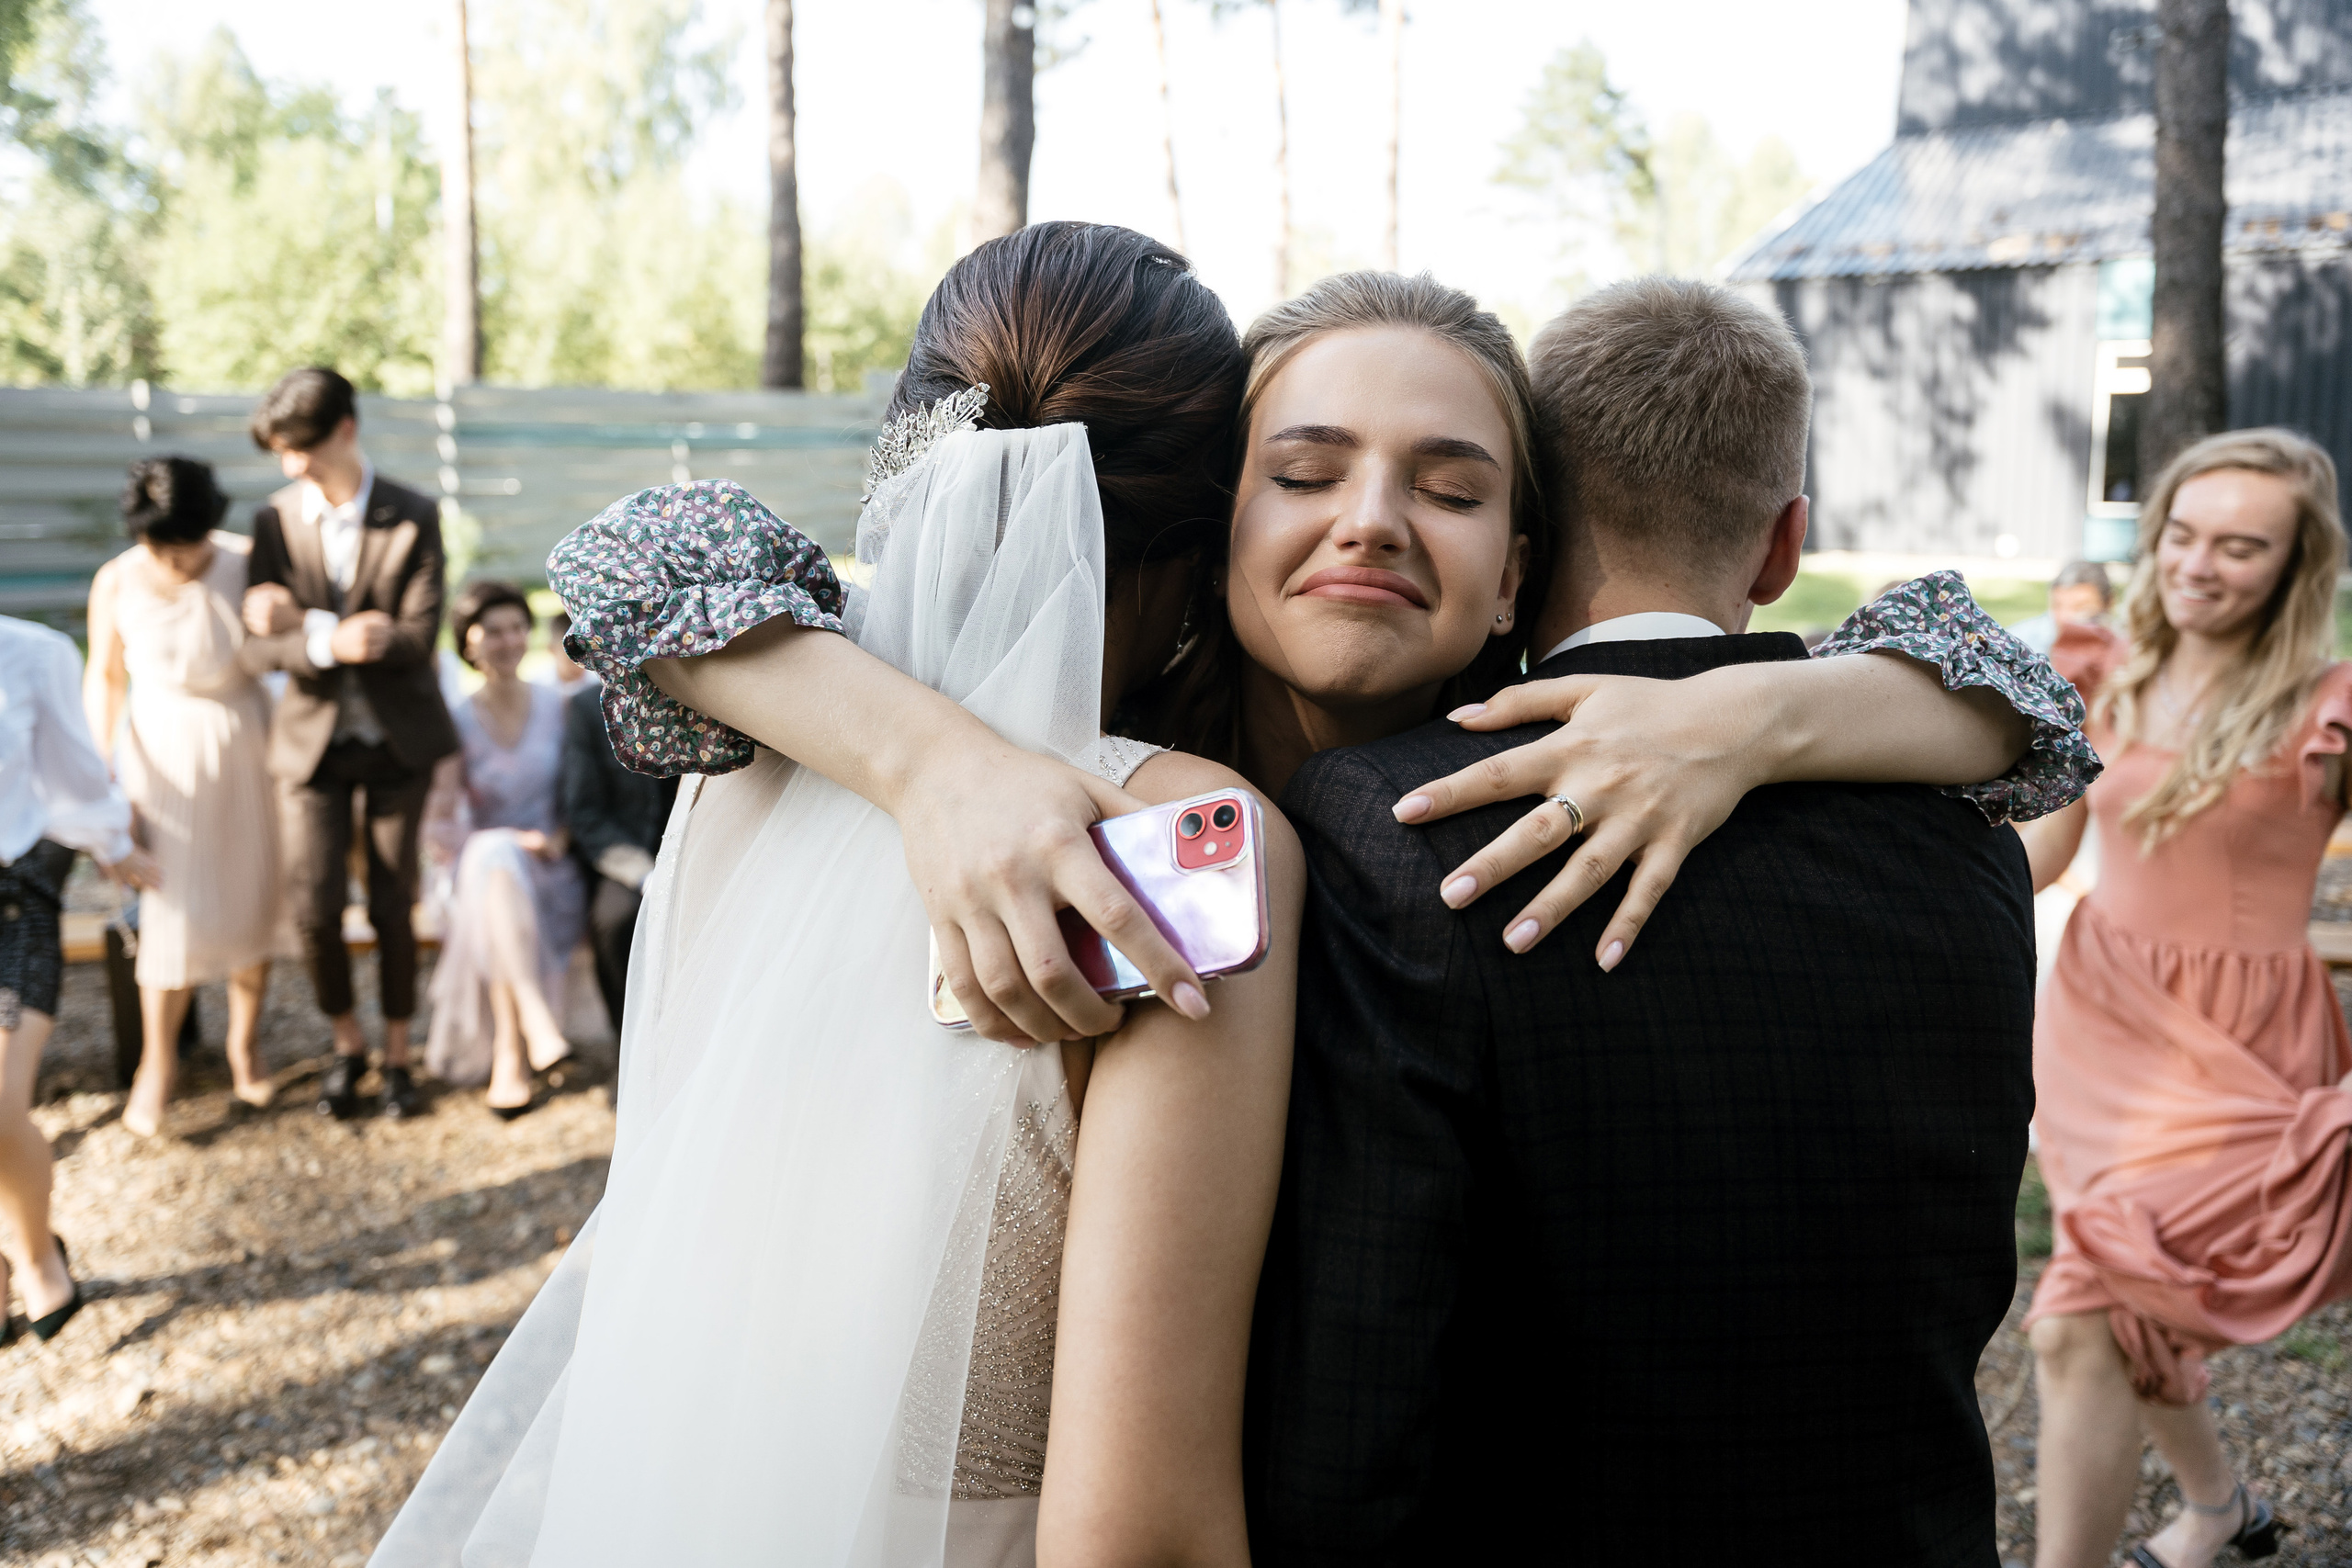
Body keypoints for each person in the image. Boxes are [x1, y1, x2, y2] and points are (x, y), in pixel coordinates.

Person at [437, 248, 2085, 1565]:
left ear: (1525, 561)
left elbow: (2027, 701)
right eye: (1306, 468)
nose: (1371, 516)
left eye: (1450, 486)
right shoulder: (1152, 812)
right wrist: (932, 762)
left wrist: (1758, 710)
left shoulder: (1544, 775)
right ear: (1216, 509)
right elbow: (637, 557)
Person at [1230, 276, 2083, 1563]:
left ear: (1526, 535)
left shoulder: (1397, 820)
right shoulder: (1970, 823)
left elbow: (1356, 1392)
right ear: (1785, 542)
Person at [2015, 429, 2352, 1568]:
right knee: (2114, 1303)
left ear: (2298, 567)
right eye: (2181, 535)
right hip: (2099, 1026)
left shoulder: (2328, 709)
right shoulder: (2105, 676)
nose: (2197, 565)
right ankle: (2220, 1509)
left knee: (2076, 1319)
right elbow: (2042, 856)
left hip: (2242, 1051)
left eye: (2241, 547)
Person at [239, 367, 459, 1122]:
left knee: (396, 905)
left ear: (343, 430)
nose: (289, 465)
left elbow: (414, 638)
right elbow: (261, 649)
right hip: (311, 746)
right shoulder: (272, 522)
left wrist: (301, 626)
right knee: (315, 906)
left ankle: (399, 1052)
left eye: (298, 447)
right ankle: (347, 1043)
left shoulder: (413, 512)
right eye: (279, 452)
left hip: (399, 741)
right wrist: (331, 637)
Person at [83, 457, 282, 1131]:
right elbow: (105, 677)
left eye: (189, 541)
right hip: (157, 753)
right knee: (167, 912)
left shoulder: (247, 561)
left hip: (243, 743)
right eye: (162, 544)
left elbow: (278, 648)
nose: (177, 556)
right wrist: (100, 773)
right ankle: (156, 1062)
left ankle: (244, 1043)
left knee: (250, 896)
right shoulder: (115, 580)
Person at [0, 615, 158, 1341]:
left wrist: (117, 845)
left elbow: (72, 776)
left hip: (12, 899)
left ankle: (34, 1252)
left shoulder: (34, 653)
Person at [422, 581, 587, 1117]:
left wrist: (557, 839)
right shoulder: (454, 719)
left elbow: (578, 799)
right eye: (492, 631)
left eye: (517, 627)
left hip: (552, 868)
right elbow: (442, 825)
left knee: (502, 870)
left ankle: (511, 1057)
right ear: (468, 643)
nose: (507, 639)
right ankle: (532, 1026)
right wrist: (508, 841)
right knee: (495, 857)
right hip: (480, 871)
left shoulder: (559, 706)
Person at [559, 680, 673, 1038]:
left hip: (698, 847)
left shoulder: (697, 685)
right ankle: (627, 1047)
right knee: (617, 919)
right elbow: (585, 812)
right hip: (630, 857)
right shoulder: (587, 707)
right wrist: (643, 874)